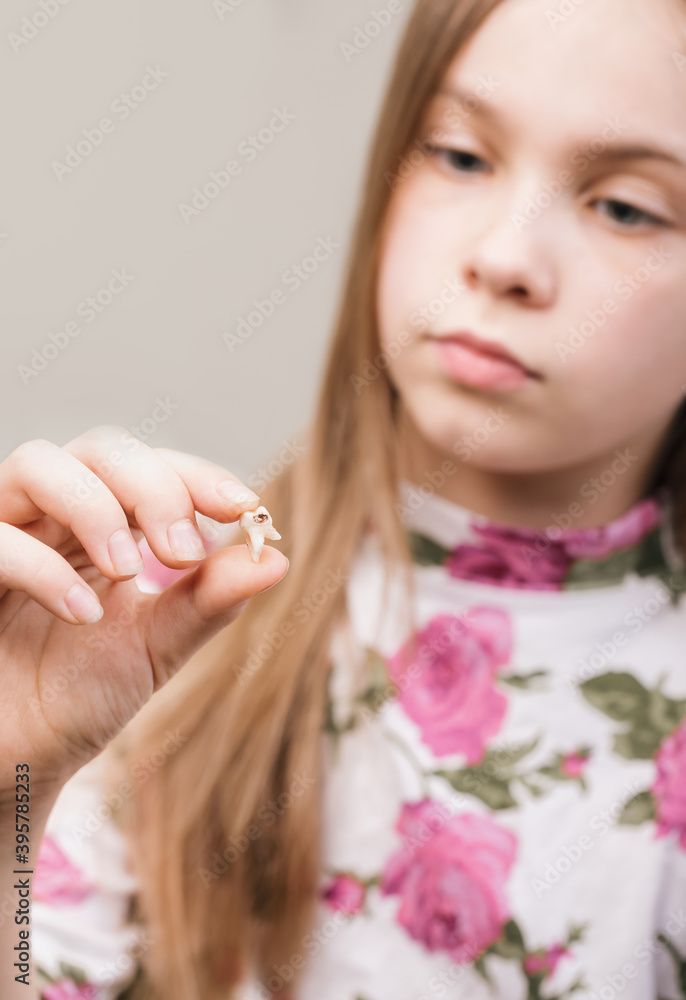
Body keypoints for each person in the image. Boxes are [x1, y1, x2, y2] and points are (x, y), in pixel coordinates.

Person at [3, 0, 686, 996]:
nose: (501, 257)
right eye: (456, 154)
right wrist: (13, 799)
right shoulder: (146, 625)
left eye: (623, 206)